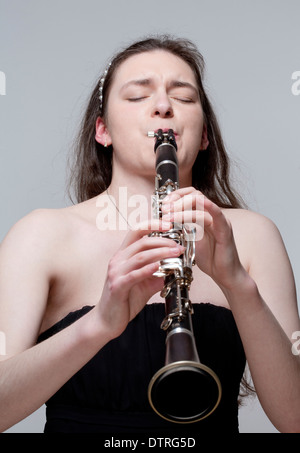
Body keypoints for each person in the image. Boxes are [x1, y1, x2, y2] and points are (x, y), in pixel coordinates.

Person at [0, 35, 299, 434]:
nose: (163, 106)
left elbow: (294, 419)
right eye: (138, 96)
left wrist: (238, 285)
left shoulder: (254, 235)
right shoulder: (41, 235)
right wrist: (98, 325)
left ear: (205, 135)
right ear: (102, 130)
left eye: (185, 98)